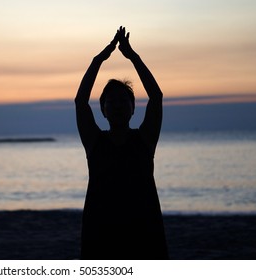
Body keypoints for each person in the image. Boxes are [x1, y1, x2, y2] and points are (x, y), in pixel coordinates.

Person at [75, 26, 168, 259]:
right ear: (103, 111)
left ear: (133, 108)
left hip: (143, 229)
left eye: (123, 101)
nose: (117, 106)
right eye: (111, 102)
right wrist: (100, 58)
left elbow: (156, 97)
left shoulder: (145, 140)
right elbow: (81, 101)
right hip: (101, 231)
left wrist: (133, 57)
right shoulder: (95, 142)